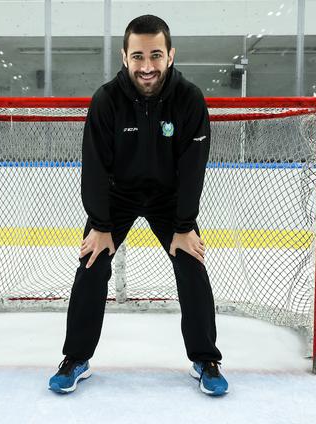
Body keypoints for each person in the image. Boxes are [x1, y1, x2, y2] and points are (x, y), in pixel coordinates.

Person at [48, 14, 227, 396]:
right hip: (118, 197)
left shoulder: (190, 99)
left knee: (192, 263)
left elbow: (194, 168)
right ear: (124, 57)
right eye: (138, 57)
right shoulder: (106, 100)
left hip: (170, 197)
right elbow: (94, 166)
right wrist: (100, 225)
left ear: (171, 55)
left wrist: (184, 225)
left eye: (156, 56)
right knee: (92, 263)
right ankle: (75, 358)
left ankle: (206, 359)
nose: (147, 67)